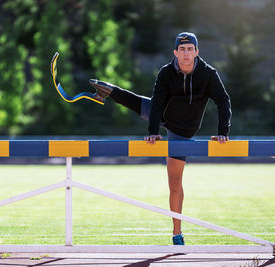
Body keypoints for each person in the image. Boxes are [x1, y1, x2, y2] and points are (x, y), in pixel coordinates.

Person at [88, 32, 232, 245]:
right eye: (181, 49)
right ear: (175, 52)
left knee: (174, 182)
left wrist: (223, 132)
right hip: (164, 113)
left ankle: (177, 233)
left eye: (190, 49)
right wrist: (153, 130)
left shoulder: (208, 74)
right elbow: (156, 103)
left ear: (197, 52)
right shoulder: (166, 72)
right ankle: (108, 91)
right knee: (140, 102)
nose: (186, 53)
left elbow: (223, 100)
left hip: (183, 131)